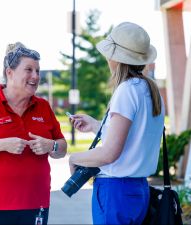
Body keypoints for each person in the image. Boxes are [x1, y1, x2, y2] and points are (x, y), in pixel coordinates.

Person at [68, 22, 165, 224]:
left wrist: (75, 158)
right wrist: (97, 126)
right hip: (138, 189)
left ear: (115, 57)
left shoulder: (127, 90)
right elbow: (135, 137)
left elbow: (110, 153)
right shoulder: (151, 90)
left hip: (115, 191)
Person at [0, 42, 67, 225]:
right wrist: (1, 144)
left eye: (37, 71)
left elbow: (62, 147)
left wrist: (51, 145)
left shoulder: (42, 106)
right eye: (29, 69)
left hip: (36, 202)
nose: (35, 76)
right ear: (9, 72)